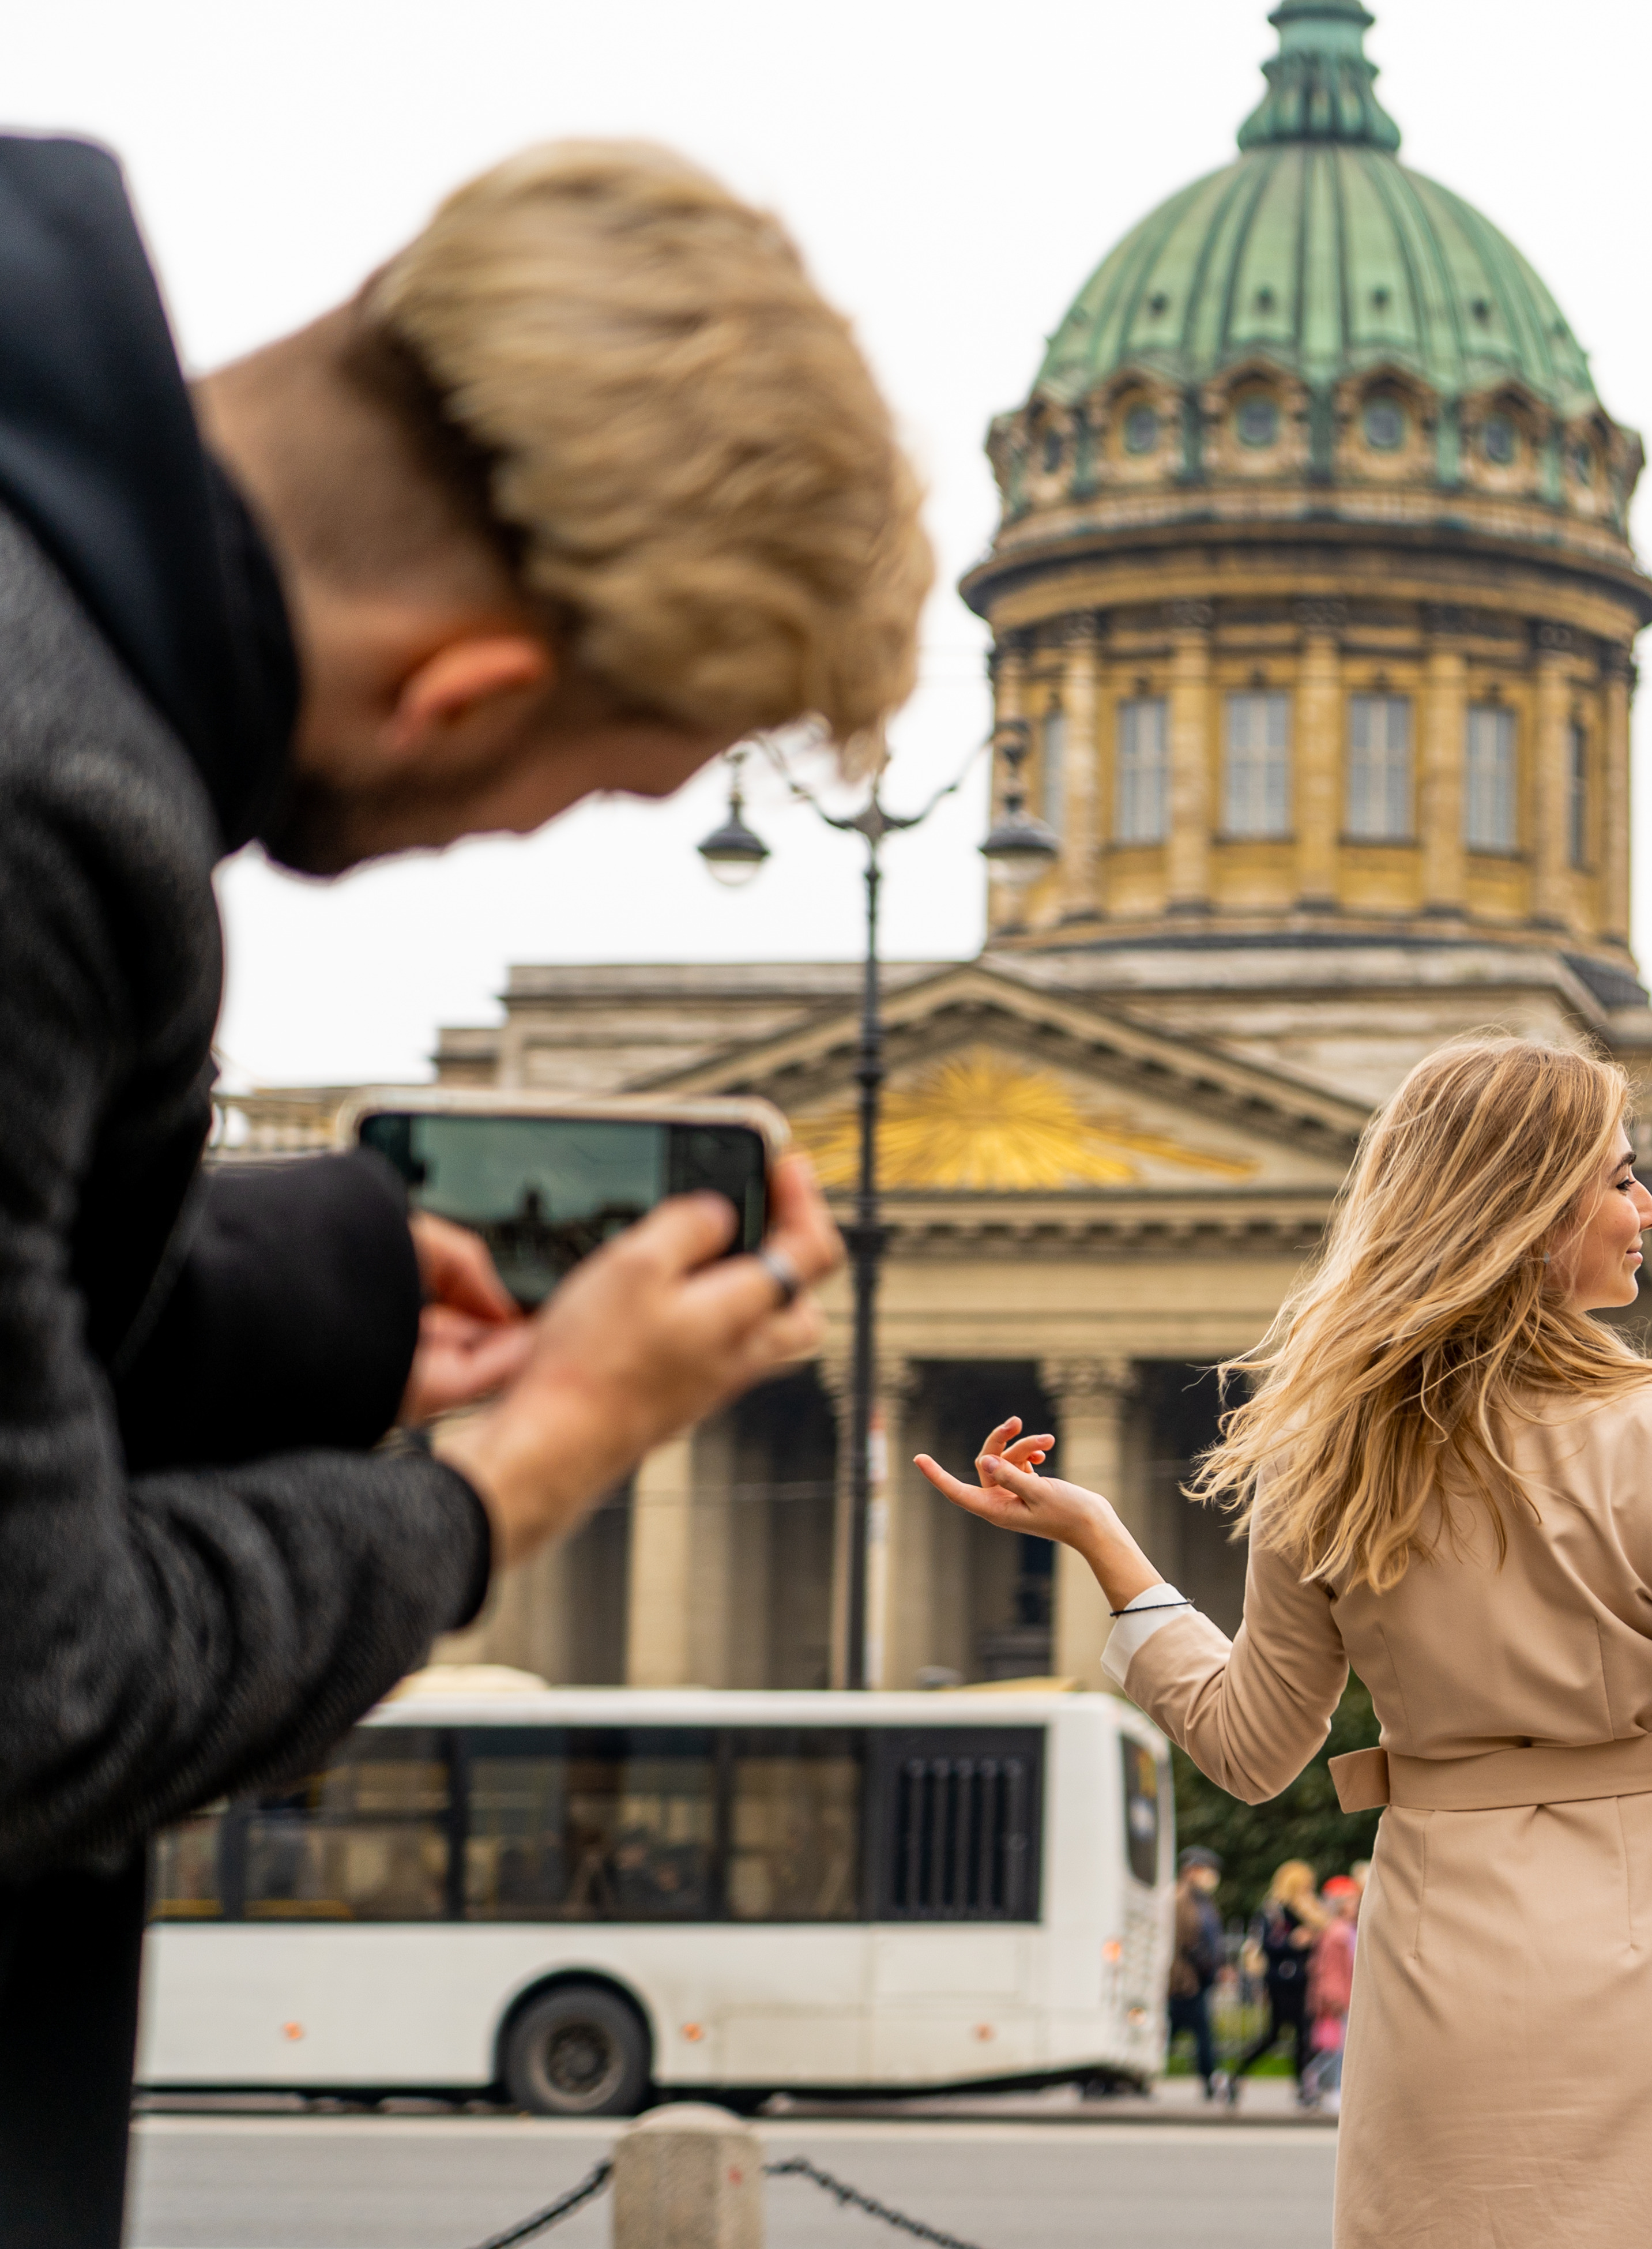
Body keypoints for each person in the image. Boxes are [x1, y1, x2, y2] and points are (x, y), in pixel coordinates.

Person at [0, 133, 923, 2246]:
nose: (504, 831)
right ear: (469, 688)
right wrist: (511, 1473)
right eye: (594, 781)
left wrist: (321, 1286)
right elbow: (36, 1697)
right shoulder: (53, 815)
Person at [918, 1036, 1652, 2242]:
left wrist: (1109, 1548)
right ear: (1529, 1207)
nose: (1647, 1209)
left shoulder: (1327, 1448)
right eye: (1618, 1180)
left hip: (1438, 1981)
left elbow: (1251, 1748)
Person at [1227, 1858, 1323, 2102]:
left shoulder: (1309, 1908)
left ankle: (1302, 2087)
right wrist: (1294, 1941)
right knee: (1279, 2034)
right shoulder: (1274, 1910)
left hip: (1302, 1979)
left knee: (1301, 2033)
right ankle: (1237, 2074)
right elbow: (1266, 1945)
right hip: (1282, 1980)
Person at [1166, 1846, 1228, 2099]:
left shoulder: (1203, 1900)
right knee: (1198, 2031)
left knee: (1183, 2029)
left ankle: (1208, 2080)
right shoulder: (1181, 1898)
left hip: (1200, 1977)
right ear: (1190, 1871)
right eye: (1205, 1870)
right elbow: (1184, 1939)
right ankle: (1208, 2081)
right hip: (1186, 1979)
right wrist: (1205, 1962)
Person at [1301, 1872, 1360, 2113]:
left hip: (1344, 1994)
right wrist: (1336, 1998)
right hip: (1340, 1997)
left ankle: (1316, 2081)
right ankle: (1328, 2087)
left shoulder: (1341, 1929)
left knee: (1337, 2047)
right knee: (1338, 2048)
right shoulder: (1338, 1932)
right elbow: (1330, 1969)